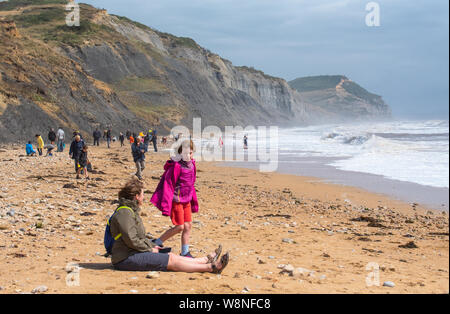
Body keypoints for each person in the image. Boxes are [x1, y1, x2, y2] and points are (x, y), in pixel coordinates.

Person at [110, 178, 229, 273]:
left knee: (170, 255)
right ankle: (211, 267)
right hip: (125, 258)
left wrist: (152, 245)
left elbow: (137, 238)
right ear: (136, 196)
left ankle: (205, 260)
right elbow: (132, 239)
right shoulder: (125, 213)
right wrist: (149, 248)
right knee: (171, 260)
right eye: (142, 194)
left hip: (132, 252)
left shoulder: (130, 211)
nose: (143, 197)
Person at [150, 140, 198, 258]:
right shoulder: (176, 166)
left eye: (190, 153)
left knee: (188, 226)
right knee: (179, 227)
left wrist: (193, 200)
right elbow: (168, 185)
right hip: (176, 200)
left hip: (186, 200)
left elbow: (191, 184)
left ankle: (185, 252)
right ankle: (157, 243)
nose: (188, 156)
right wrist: (166, 205)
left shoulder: (192, 165)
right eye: (186, 153)